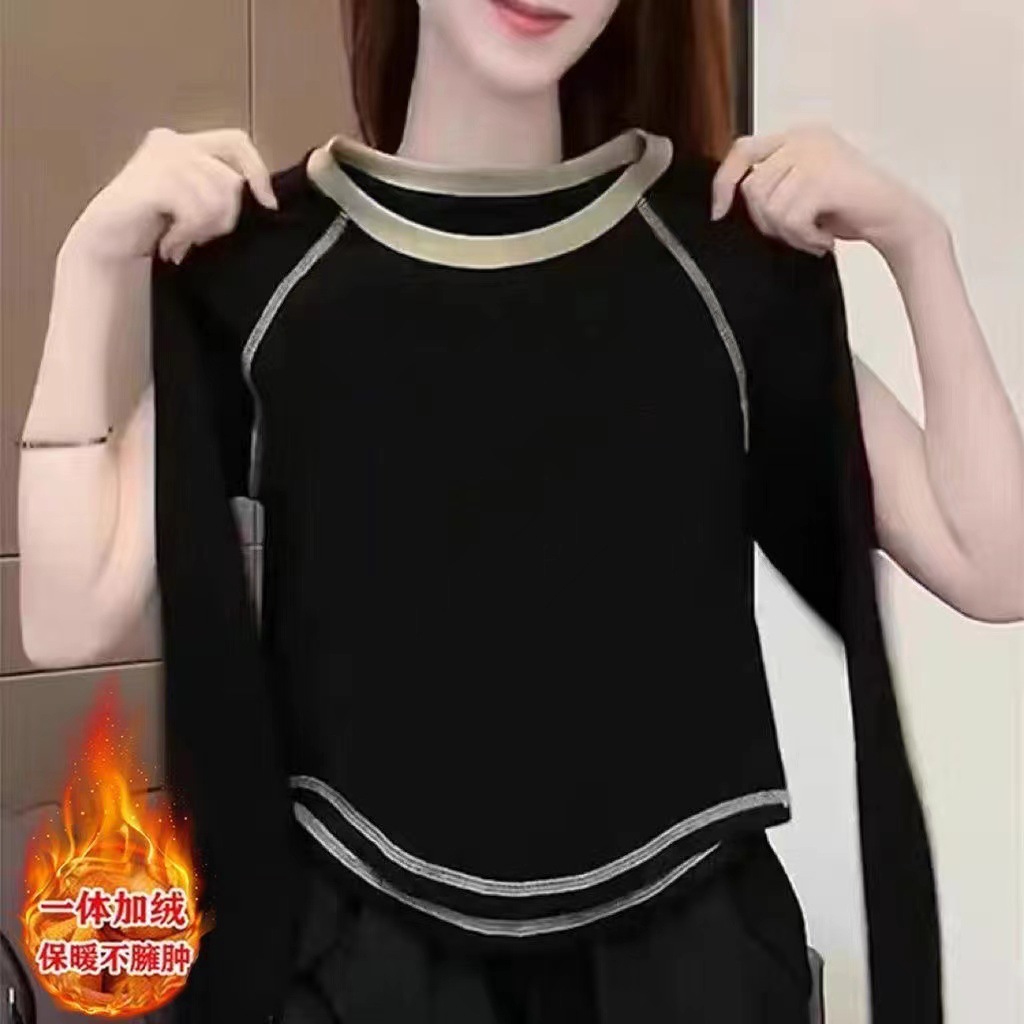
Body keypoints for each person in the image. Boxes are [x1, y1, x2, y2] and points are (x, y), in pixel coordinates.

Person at [17, 1, 1024, 1022]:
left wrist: (917, 242)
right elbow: (65, 618)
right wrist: (90, 263)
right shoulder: (275, 274)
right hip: (365, 967)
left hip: (689, 963)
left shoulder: (718, 264)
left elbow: (994, 563)